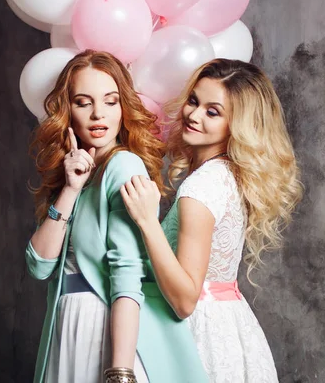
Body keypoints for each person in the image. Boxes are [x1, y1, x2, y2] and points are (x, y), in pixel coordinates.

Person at [24, 50, 208, 383]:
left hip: (102, 328)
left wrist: (119, 372)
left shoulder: (123, 167)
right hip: (67, 323)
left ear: (123, 107)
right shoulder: (76, 173)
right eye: (83, 102)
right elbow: (39, 266)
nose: (98, 115)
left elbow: (127, 276)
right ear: (68, 110)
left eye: (110, 101)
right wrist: (69, 189)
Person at [120, 58, 303, 382]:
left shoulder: (200, 188)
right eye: (194, 101)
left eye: (212, 111)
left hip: (196, 335)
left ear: (236, 124)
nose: (193, 114)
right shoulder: (229, 174)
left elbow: (185, 299)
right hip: (230, 325)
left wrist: (147, 221)